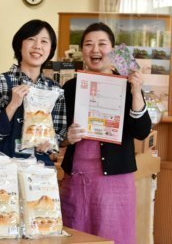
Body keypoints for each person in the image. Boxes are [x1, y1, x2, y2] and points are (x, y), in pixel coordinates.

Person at [60, 22, 151, 244]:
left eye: (102, 44)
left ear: (112, 50)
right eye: (89, 44)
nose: (95, 50)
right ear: (82, 51)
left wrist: (136, 91)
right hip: (77, 179)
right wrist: (65, 137)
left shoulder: (127, 85)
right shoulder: (71, 87)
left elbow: (141, 131)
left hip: (116, 182)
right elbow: (56, 131)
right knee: (76, 234)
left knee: (113, 235)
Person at [0, 19, 67, 166]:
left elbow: (60, 135)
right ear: (19, 45)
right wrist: (12, 105)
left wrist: (50, 142)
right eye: (31, 39)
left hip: (40, 171)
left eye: (44, 41)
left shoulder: (55, 90)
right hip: (3, 169)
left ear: (50, 49)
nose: (37, 46)